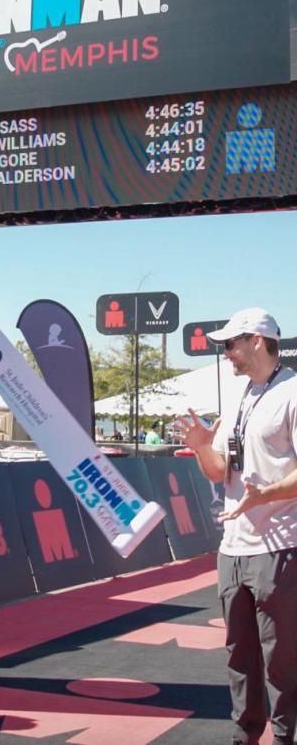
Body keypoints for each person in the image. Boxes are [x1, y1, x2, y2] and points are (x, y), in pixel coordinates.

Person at [177, 307, 297, 745]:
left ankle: (285, 738)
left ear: (258, 342)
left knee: (283, 659)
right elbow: (220, 472)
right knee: (239, 658)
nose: (225, 352)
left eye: (231, 343)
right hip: (233, 548)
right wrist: (200, 447)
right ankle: (245, 736)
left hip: (281, 546)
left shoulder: (293, 392)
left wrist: (264, 495)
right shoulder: (239, 398)